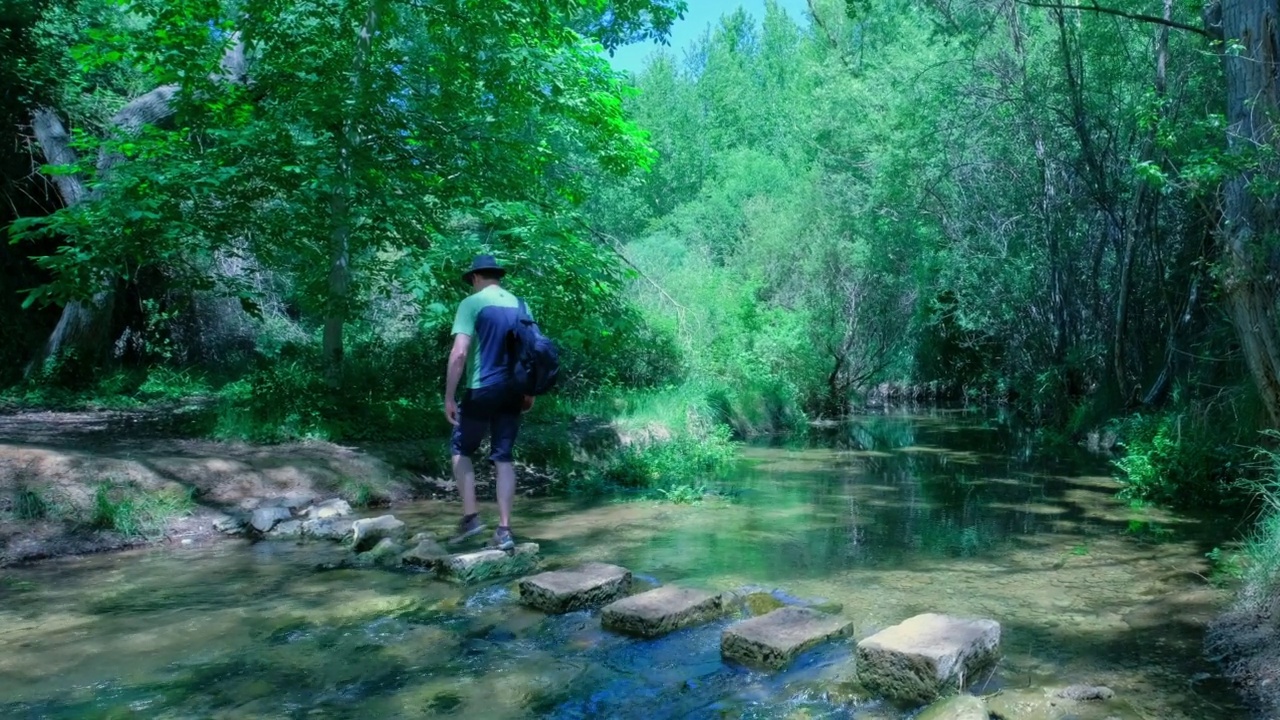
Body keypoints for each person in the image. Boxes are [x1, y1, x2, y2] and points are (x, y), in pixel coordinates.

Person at [444, 254, 532, 550]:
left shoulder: (472, 304)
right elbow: (531, 352)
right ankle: (504, 531)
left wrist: (449, 396)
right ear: (497, 276)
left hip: (482, 388)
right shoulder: (521, 304)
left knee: (460, 448)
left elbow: (459, 354)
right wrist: (528, 392)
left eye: (471, 281)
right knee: (503, 457)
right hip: (513, 391)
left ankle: (471, 518)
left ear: (476, 278)